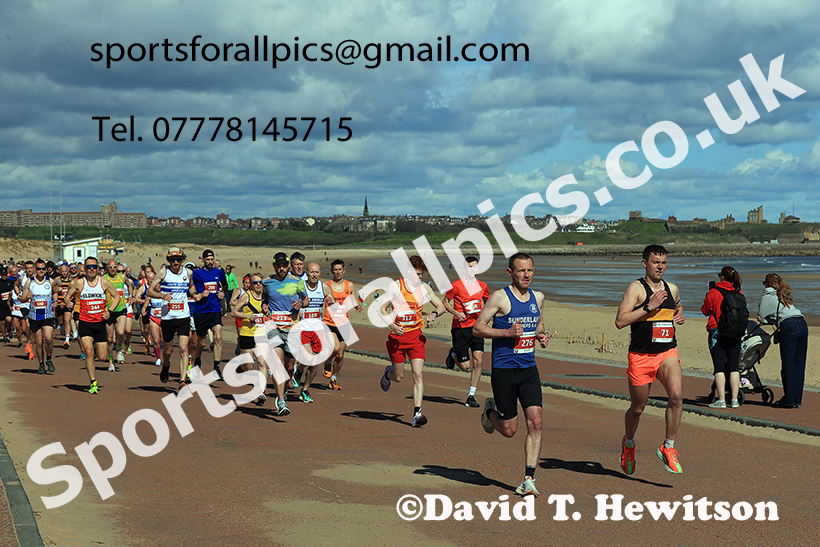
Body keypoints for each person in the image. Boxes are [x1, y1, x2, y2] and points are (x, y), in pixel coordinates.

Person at [473, 252, 549, 497]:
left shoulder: (538, 297)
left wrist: (541, 335)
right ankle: (489, 412)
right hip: (504, 371)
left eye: (530, 270)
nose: (526, 275)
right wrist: (506, 333)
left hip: (528, 370)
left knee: (536, 423)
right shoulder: (499, 297)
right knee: (509, 430)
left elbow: (538, 324)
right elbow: (477, 329)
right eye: (521, 271)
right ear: (510, 272)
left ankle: (528, 479)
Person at [615, 244, 686, 475]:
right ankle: (629, 444)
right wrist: (649, 306)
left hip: (667, 353)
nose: (660, 267)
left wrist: (679, 313)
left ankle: (668, 447)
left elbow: (677, 305)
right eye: (656, 262)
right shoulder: (636, 289)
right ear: (645, 263)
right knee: (637, 408)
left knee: (676, 396)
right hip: (641, 356)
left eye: (663, 263)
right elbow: (620, 321)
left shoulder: (672, 288)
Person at [378, 255, 446, 428]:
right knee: (399, 377)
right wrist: (393, 325)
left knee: (417, 374)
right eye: (417, 273)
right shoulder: (396, 286)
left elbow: (441, 306)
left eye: (422, 274)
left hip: (416, 337)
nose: (420, 277)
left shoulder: (424, 288)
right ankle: (388, 374)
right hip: (397, 337)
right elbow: (381, 309)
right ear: (408, 271)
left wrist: (434, 314)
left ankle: (417, 413)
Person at [64, 256, 121, 394]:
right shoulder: (79, 283)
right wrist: (68, 302)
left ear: (98, 268)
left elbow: (117, 296)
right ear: (84, 268)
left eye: (94, 267)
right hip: (85, 322)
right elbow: (67, 296)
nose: (92, 270)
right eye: (89, 267)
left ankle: (95, 349)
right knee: (88, 352)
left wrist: (110, 311)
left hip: (99, 323)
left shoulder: (104, 282)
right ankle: (93, 382)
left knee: (102, 357)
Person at [261, 252, 308, 416]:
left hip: (292, 329)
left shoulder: (297, 282)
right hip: (273, 327)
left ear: (288, 265)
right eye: (278, 266)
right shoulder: (267, 282)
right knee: (277, 363)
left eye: (284, 265)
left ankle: (284, 388)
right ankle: (281, 401)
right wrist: (264, 305)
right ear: (274, 266)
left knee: (289, 366)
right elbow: (265, 298)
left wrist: (300, 303)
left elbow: (306, 300)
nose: (281, 268)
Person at [147, 247, 196, 393]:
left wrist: (197, 294)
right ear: (169, 260)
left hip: (183, 315)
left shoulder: (188, 272)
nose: (176, 262)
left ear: (182, 259)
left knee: (182, 348)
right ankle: (166, 365)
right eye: (173, 260)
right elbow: (149, 291)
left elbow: (191, 288)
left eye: (179, 259)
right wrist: (162, 296)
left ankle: (182, 381)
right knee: (168, 349)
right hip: (167, 316)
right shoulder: (163, 272)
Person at [443, 256, 490, 407]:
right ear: (464, 269)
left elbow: (488, 304)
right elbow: (445, 302)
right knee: (465, 367)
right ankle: (453, 354)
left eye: (475, 266)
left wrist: (489, 318)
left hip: (477, 328)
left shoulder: (483, 286)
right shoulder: (456, 285)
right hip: (460, 329)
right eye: (470, 267)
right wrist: (455, 313)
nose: (473, 269)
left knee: (479, 361)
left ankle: (471, 396)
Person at [757, 273, 808, 409]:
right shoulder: (784, 293)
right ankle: (796, 398)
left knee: (788, 363)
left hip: (789, 326)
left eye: (764, 283)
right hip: (801, 322)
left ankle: (789, 399)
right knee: (799, 364)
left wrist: (766, 319)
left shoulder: (768, 294)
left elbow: (761, 317)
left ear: (768, 283)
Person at [701, 266, 745, 409]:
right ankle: (734, 400)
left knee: (719, 368)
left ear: (722, 277)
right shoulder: (738, 291)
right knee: (734, 368)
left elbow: (705, 311)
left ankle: (721, 400)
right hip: (735, 333)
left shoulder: (714, 292)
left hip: (717, 331)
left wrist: (707, 297)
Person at [321, 259, 362, 390]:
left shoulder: (350, 285)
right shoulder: (325, 285)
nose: (338, 272)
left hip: (344, 323)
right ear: (331, 271)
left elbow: (354, 300)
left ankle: (334, 378)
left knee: (340, 355)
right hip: (329, 322)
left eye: (340, 269)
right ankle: (327, 361)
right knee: (335, 348)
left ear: (344, 270)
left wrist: (357, 306)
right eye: (335, 270)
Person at [231, 272, 270, 404]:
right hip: (247, 333)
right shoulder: (246, 296)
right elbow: (234, 312)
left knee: (261, 363)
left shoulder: (266, 297)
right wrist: (247, 316)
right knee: (248, 366)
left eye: (260, 282)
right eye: (255, 282)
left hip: (261, 334)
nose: (258, 284)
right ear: (251, 285)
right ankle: (241, 368)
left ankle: (261, 391)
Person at [21, 259, 61, 374]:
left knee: (48, 338)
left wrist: (56, 301)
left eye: (43, 268)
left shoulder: (51, 281)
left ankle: (49, 358)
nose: (41, 271)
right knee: (39, 342)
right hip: (34, 316)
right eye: (39, 269)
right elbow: (22, 298)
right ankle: (41, 364)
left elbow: (55, 292)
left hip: (47, 314)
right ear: (35, 269)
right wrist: (27, 297)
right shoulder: (30, 282)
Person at [191, 249, 227, 379]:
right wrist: (198, 295)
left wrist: (223, 293)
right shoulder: (197, 273)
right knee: (201, 343)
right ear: (203, 260)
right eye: (208, 260)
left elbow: (225, 285)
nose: (210, 262)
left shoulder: (219, 272)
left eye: (212, 259)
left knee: (218, 336)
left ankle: (217, 368)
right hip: (201, 311)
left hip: (215, 310)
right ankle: (197, 361)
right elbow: (190, 289)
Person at [103, 260, 134, 370]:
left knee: (121, 332)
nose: (112, 269)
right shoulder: (104, 278)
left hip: (121, 309)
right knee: (110, 339)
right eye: (110, 267)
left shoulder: (122, 277)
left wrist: (130, 296)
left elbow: (130, 285)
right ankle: (111, 361)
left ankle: (119, 349)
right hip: (109, 311)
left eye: (114, 267)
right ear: (107, 268)